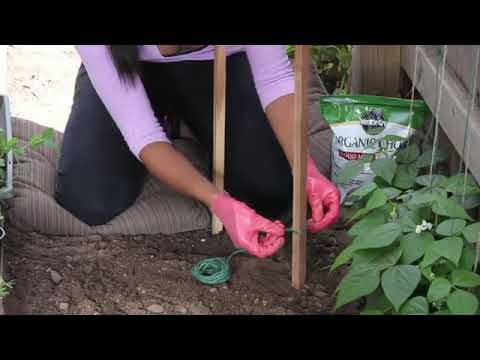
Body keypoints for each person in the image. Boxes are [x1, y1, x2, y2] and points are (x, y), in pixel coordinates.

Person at [54, 45, 340, 259]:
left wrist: (306, 169)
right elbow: (142, 133)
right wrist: (216, 200)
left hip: (219, 65)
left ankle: (188, 123)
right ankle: (171, 123)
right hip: (124, 68)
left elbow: (274, 78)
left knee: (271, 194)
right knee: (87, 198)